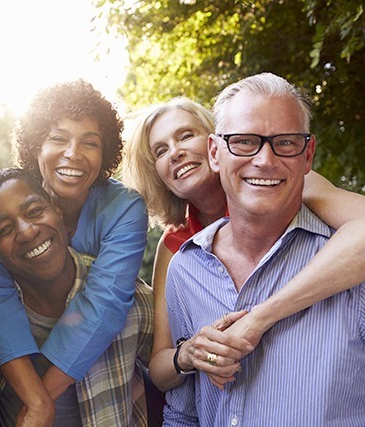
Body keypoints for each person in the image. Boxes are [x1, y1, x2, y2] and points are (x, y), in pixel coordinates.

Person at [122, 95, 365, 392]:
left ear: (216, 145)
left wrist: (259, 318)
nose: (175, 153)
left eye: (185, 135)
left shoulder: (277, 180)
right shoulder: (175, 246)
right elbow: (160, 368)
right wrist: (188, 354)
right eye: (160, 150)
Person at [0, 80, 152, 412]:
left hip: (96, 366)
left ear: (105, 152)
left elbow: (105, 302)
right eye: (58, 138)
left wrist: (41, 402)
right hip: (20, 364)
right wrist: (33, 398)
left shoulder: (124, 208)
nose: (73, 154)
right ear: (36, 146)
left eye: (90, 143)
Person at [0, 168, 153, 426]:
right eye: (4, 229)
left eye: (34, 212)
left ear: (57, 209)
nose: (26, 232)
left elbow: (176, 378)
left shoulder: (132, 301)